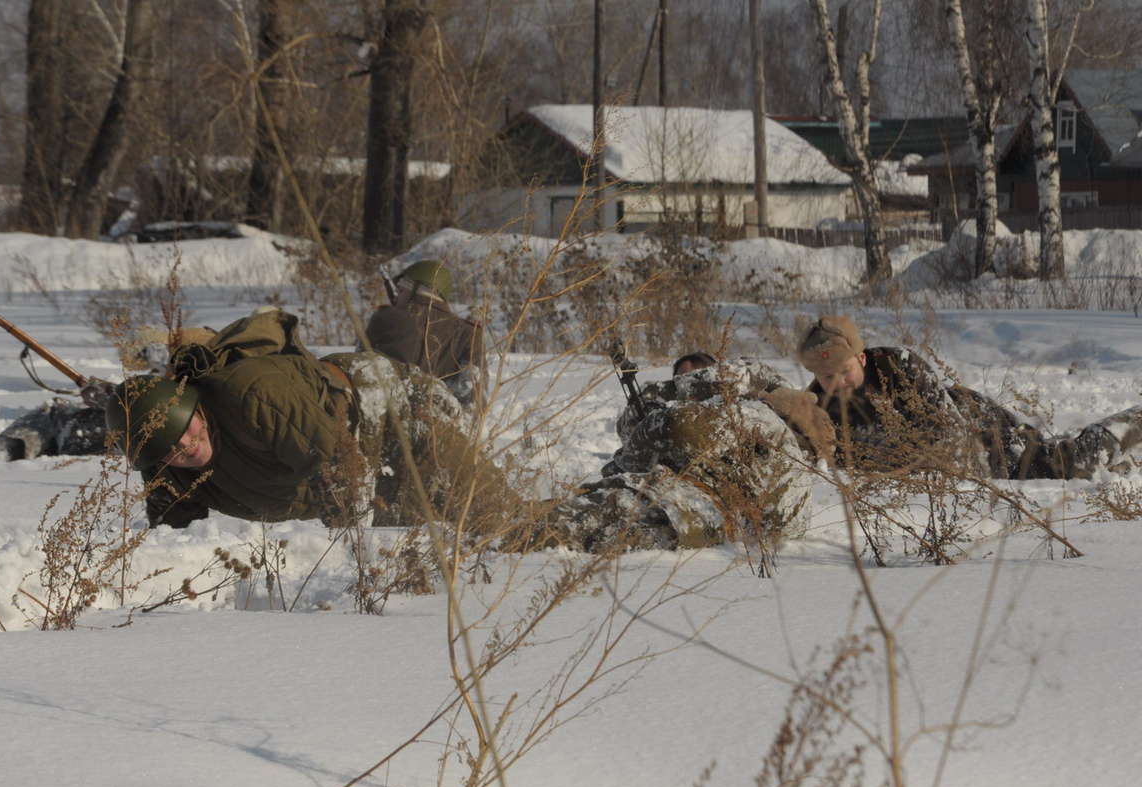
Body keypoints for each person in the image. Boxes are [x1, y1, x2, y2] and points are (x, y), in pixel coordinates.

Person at [107, 307, 516, 532]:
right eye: (167, 451)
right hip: (366, 463)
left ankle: (574, 523)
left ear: (196, 408)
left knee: (493, 521)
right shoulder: (165, 462)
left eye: (185, 429)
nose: (184, 446)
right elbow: (171, 538)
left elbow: (346, 474)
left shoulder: (253, 395)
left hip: (397, 406)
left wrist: (351, 573)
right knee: (429, 525)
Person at [526, 354, 824, 554]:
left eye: (696, 379)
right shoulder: (790, 465)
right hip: (699, 521)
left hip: (687, 512)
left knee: (573, 523)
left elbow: (676, 426)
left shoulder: (756, 415)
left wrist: (630, 458)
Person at [797, 314, 1142, 479]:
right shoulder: (816, 406)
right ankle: (1121, 467)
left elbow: (952, 445)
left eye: (845, 371)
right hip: (953, 444)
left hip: (982, 429)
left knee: (1066, 464)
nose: (838, 382)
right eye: (827, 377)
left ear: (861, 357)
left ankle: (1134, 423)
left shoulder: (899, 367)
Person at [0, 327, 215, 468]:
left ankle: (4, 455)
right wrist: (109, 394)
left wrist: (112, 399)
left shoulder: (213, 361)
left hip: (135, 445)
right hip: (103, 433)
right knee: (56, 414)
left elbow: (160, 414)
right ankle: (2, 453)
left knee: (57, 419)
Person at [363, 259, 487, 410]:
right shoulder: (470, 333)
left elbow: (360, 371)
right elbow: (475, 401)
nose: (396, 298)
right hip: (442, 428)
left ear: (416, 290)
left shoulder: (385, 317)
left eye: (401, 291)